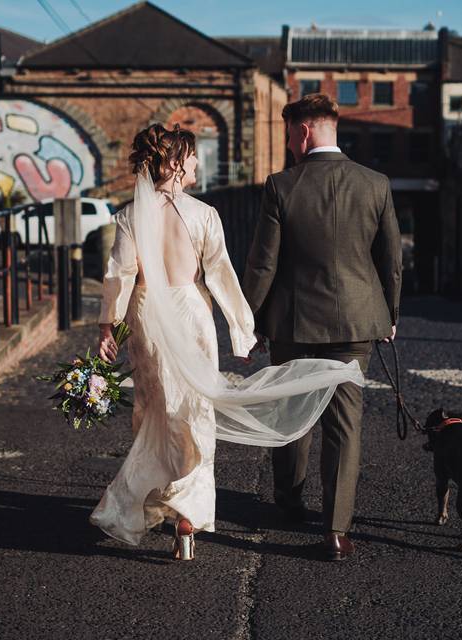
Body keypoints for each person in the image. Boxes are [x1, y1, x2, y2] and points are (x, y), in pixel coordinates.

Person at [93, 123, 364, 560]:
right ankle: (187, 514)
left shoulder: (128, 216)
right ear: (178, 163)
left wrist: (109, 327)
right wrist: (243, 329)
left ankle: (155, 499)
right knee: (194, 413)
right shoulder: (204, 215)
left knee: (156, 410)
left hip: (147, 316)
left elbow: (119, 276)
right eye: (195, 156)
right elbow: (221, 273)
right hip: (191, 314)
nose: (200, 163)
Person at [243, 94, 402, 561]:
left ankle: (289, 502)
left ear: (304, 131)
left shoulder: (281, 186)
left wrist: (248, 322)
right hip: (357, 322)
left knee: (292, 413)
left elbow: (262, 265)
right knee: (345, 425)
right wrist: (389, 315)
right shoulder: (376, 184)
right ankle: (336, 530)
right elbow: (391, 260)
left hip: (294, 324)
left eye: (290, 134)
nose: (290, 144)